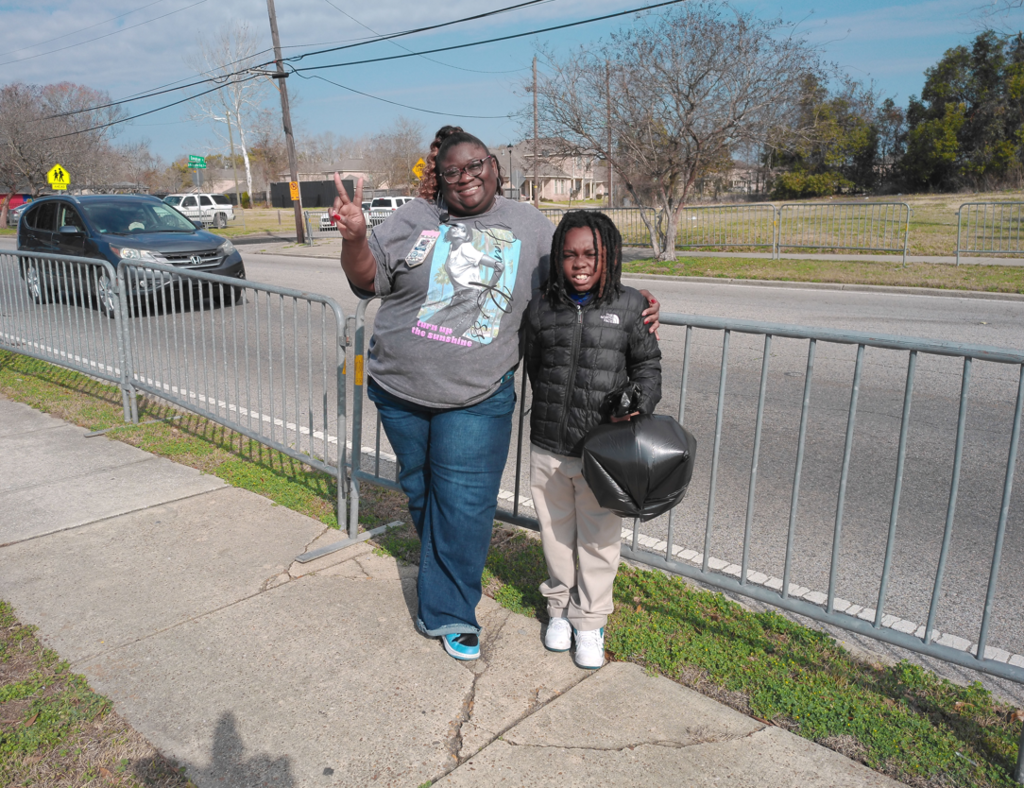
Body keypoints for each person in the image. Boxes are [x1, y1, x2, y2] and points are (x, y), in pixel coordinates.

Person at [329, 125, 660, 662]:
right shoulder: (413, 219)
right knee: (422, 492)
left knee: (462, 504)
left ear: (495, 167)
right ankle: (446, 577)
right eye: (453, 171)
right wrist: (354, 239)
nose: (466, 178)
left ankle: (450, 611)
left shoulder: (528, 225)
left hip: (476, 396)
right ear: (439, 176)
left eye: (476, 165)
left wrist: (634, 301)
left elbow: (579, 277)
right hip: (398, 389)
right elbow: (368, 282)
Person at [524, 211, 662, 669]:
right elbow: (534, 363)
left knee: (600, 540)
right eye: (569, 255)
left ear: (609, 257)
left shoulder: (629, 306)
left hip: (602, 452)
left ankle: (591, 621)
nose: (579, 264)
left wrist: (639, 399)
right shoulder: (543, 306)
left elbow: (647, 365)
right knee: (556, 536)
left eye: (590, 255)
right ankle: (559, 610)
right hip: (548, 446)